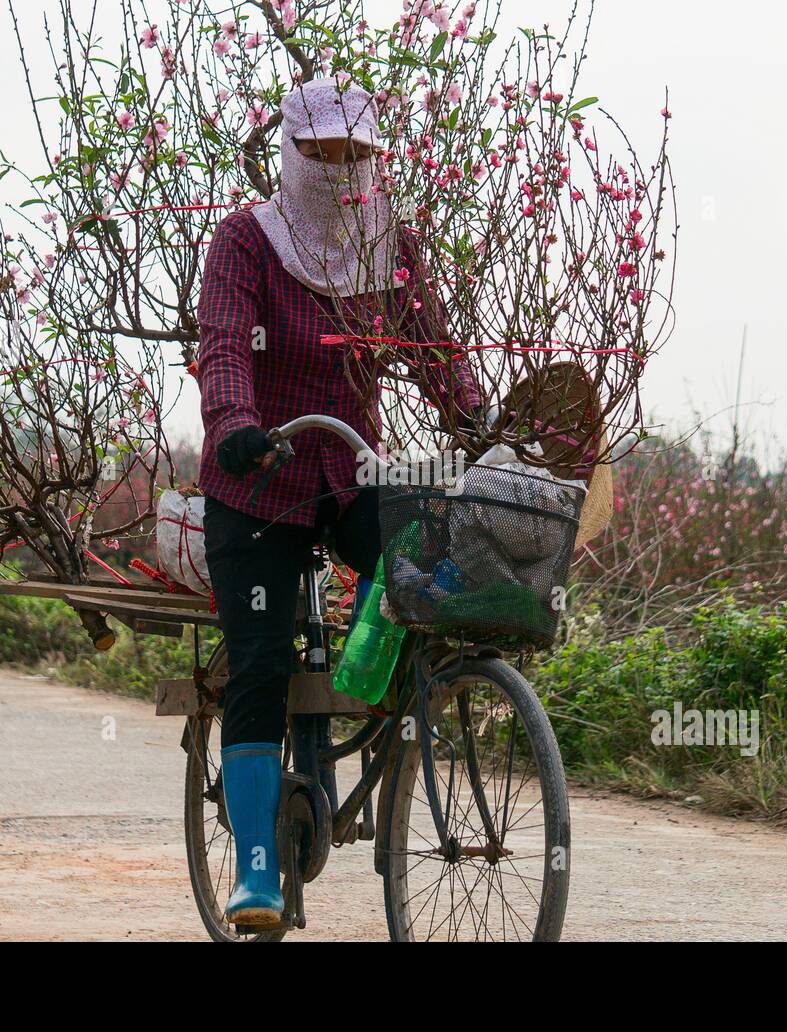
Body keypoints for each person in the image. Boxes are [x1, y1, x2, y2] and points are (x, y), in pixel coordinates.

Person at [195, 77, 480, 925]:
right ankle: (254, 871)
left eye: (354, 154)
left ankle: (370, 677)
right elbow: (223, 345)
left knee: (427, 557)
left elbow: (437, 352)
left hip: (351, 474)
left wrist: (482, 420)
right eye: (321, 153)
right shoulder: (245, 242)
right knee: (260, 665)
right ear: (292, 152)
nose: (338, 169)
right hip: (258, 487)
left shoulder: (394, 247)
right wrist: (237, 422)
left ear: (374, 158)